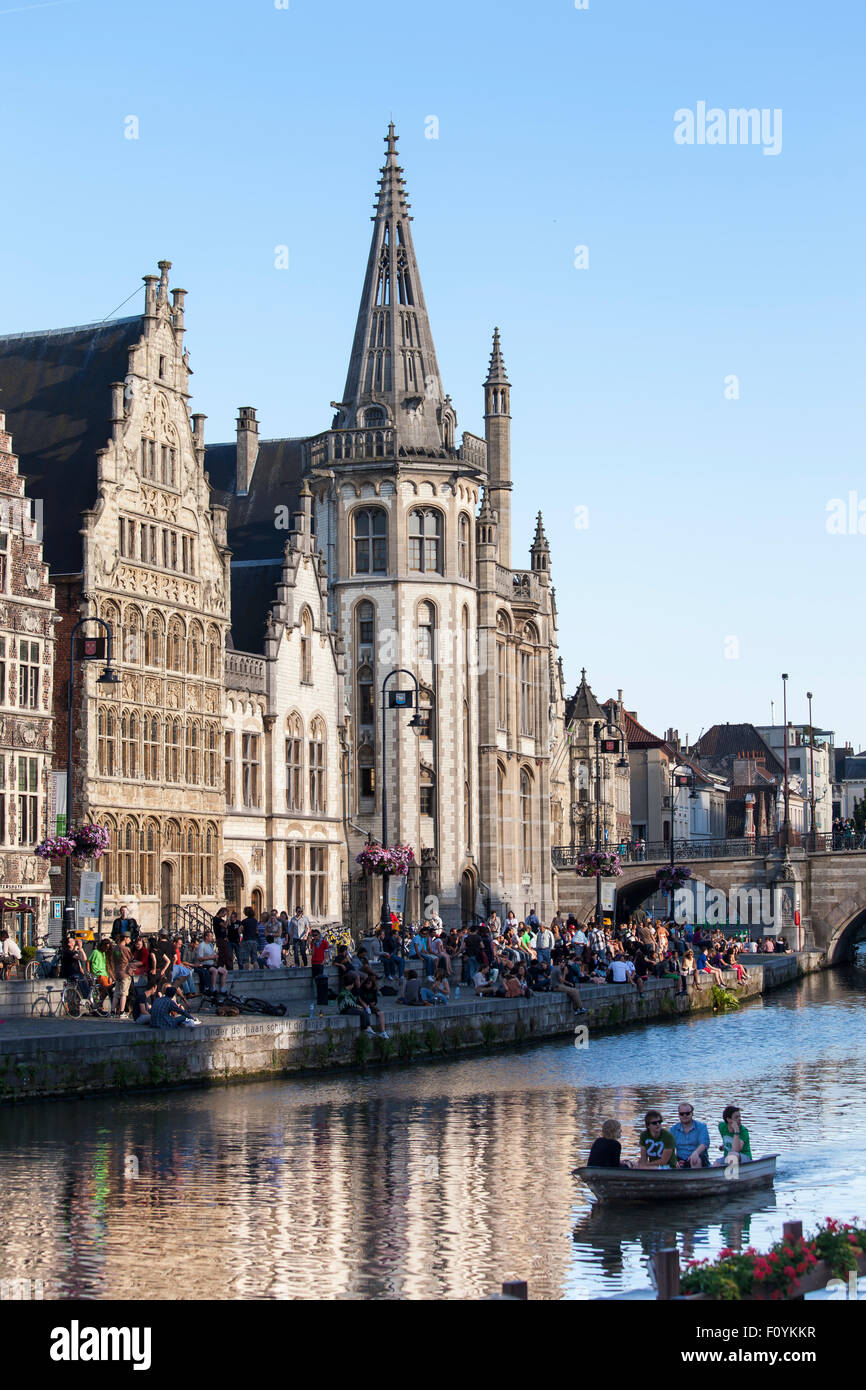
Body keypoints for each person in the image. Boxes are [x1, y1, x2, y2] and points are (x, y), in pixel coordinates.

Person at [670, 1103, 710, 1168]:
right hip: (680, 1159)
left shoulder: (701, 1127)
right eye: (682, 1114)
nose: (684, 1116)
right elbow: (669, 1147)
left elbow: (704, 1144)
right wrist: (673, 1160)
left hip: (698, 1157)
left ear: (692, 1114)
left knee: (695, 1160)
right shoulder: (673, 1129)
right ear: (679, 1115)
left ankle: (696, 1177)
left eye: (687, 1113)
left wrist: (696, 1153)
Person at [88, 937, 114, 1010]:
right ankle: (99, 1003)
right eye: (105, 947)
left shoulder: (105, 954)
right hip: (98, 974)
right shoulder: (95, 952)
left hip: (105, 974)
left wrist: (111, 976)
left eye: (108, 947)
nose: (106, 949)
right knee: (107, 988)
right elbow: (88, 961)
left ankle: (100, 1003)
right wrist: (89, 972)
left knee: (108, 989)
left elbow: (107, 967)